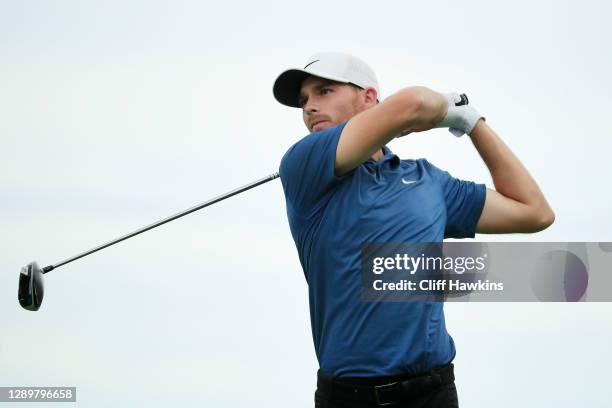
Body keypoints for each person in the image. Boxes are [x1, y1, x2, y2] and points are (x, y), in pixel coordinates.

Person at [272, 52, 555, 408]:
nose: (310, 107)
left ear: (369, 97)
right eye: (304, 101)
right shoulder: (304, 164)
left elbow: (534, 212)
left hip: (432, 391)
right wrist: (439, 109)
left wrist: (472, 123)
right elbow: (414, 102)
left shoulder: (427, 181)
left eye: (324, 91)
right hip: (349, 397)